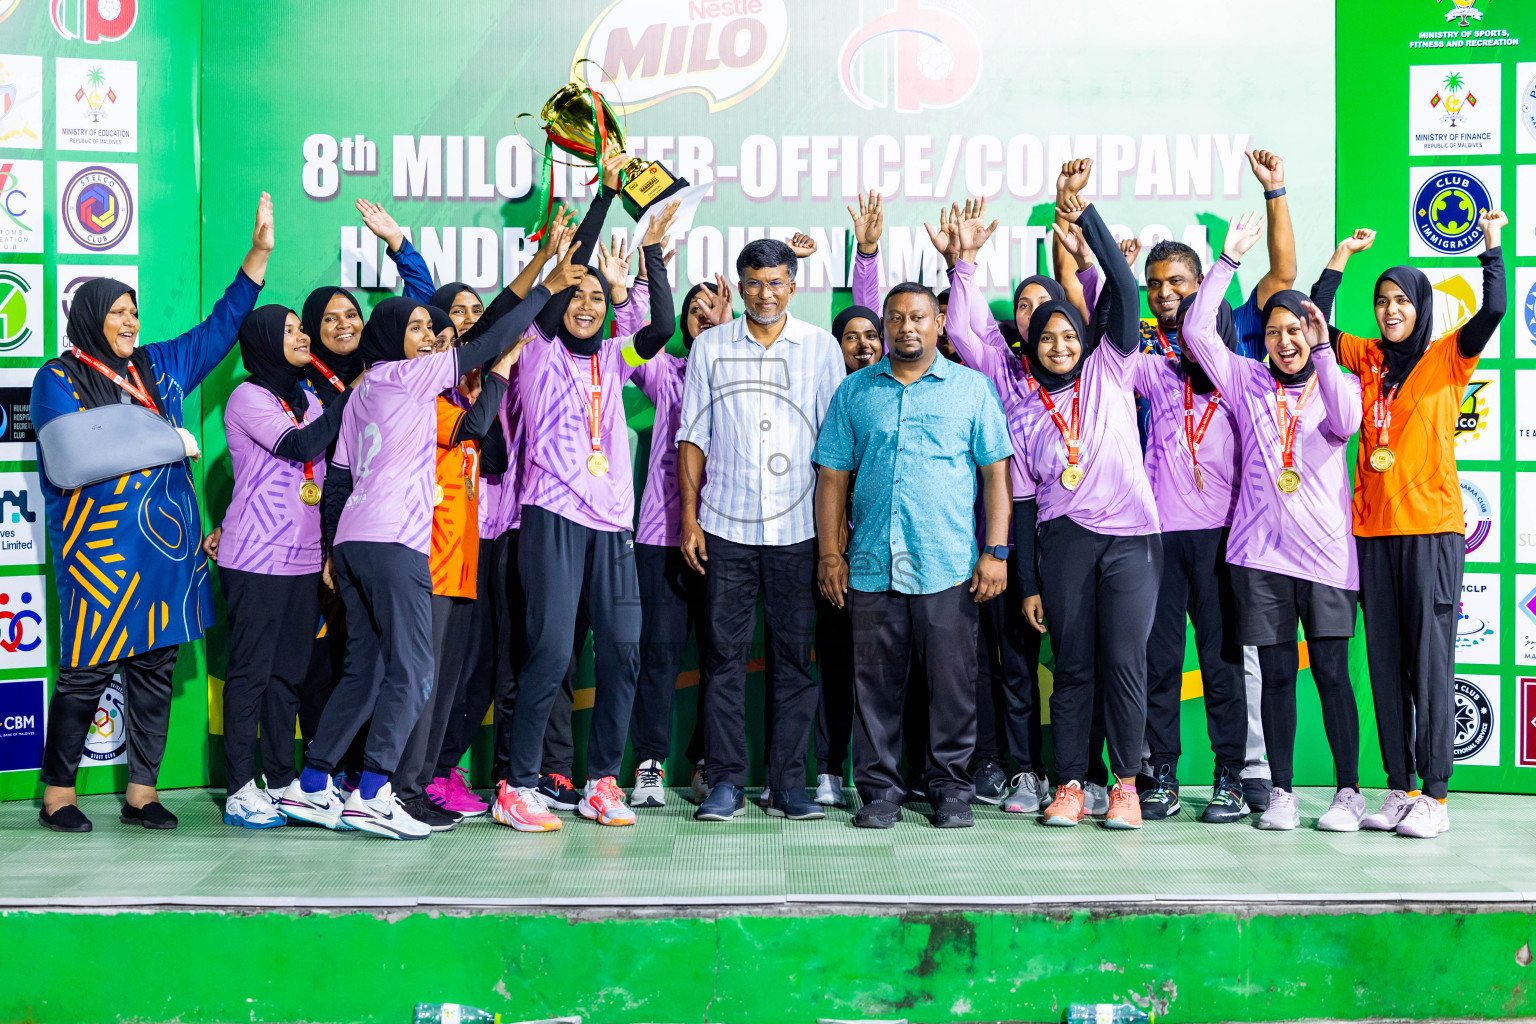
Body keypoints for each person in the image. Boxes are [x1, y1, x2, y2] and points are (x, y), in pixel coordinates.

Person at [280, 251, 570, 838]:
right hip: (394, 542)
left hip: (359, 541)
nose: (432, 338)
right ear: (391, 337)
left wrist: (335, 552)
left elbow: (339, 476)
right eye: (417, 328)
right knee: (414, 671)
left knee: (368, 670)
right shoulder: (407, 376)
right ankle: (373, 792)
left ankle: (310, 784)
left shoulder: (360, 393)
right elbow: (488, 343)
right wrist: (547, 289)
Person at [34, 193, 272, 833]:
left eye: (133, 311)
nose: (128, 321)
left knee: (155, 673)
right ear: (89, 318)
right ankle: (58, 796)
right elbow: (71, 452)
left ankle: (142, 793)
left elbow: (219, 329)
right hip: (99, 559)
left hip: (166, 558)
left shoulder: (158, 365)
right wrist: (170, 442)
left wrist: (257, 257)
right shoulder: (58, 377)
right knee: (84, 677)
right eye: (115, 312)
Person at [492, 176, 679, 833]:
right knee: (548, 650)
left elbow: (661, 324)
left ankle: (601, 781)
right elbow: (570, 272)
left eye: (598, 297)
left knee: (624, 651)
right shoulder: (538, 352)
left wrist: (652, 255)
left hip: (613, 527)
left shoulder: (616, 356)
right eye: (577, 294)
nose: (588, 303)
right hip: (552, 515)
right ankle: (516, 786)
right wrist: (604, 197)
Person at [1181, 213, 1366, 833]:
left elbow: (1346, 422)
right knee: (1279, 676)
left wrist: (1323, 350)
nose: (1284, 341)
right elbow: (1197, 331)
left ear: (1312, 334)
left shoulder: (1338, 381)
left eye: (1297, 330)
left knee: (1335, 677)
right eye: (1277, 332)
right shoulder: (1245, 380)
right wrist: (1226, 263)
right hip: (1260, 558)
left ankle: (1347, 793)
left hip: (1327, 559)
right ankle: (1282, 791)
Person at [813, 282, 1014, 829]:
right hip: (874, 563)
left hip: (947, 561)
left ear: (938, 324)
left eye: (919, 317)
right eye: (896, 318)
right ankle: (879, 791)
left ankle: (950, 787)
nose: (907, 327)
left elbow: (996, 475)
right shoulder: (855, 392)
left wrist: (995, 551)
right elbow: (832, 477)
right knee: (874, 686)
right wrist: (831, 554)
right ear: (884, 327)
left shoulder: (970, 390)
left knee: (952, 687)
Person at [1335, 210, 1507, 839]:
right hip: (1374, 533)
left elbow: (1492, 311)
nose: (1389, 311)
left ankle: (1435, 794)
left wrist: (1491, 243)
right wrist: (1340, 257)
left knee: (1429, 662)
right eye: (1381, 302)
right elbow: (1318, 326)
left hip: (1432, 530)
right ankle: (1400, 788)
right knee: (1384, 663)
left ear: (1421, 305)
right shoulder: (1367, 358)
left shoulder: (1447, 356)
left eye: (1401, 300)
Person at [679, 237, 846, 823]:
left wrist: (833, 537)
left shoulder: (821, 349)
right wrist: (689, 520)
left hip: (799, 530)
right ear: (740, 284)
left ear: (792, 285)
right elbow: (693, 437)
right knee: (723, 659)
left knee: (794, 661)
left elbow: (834, 447)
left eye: (776, 283)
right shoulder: (710, 349)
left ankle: (787, 785)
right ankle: (725, 782)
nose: (765, 294)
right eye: (754, 283)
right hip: (724, 526)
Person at [1014, 187, 1161, 831]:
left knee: (1124, 666)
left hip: (1133, 539)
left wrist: (1085, 217)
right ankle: (1070, 783)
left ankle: (1124, 785)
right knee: (1071, 667)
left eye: (1067, 333)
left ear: (1084, 337)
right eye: (1046, 337)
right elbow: (1020, 505)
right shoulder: (1021, 409)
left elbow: (1126, 290)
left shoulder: (1112, 366)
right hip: (1065, 540)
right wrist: (1027, 584)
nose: (1058, 345)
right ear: (1034, 345)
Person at [932, 198, 1058, 816]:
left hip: (1053, 526)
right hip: (991, 521)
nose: (1033, 314)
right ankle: (1003, 767)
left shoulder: (1081, 369)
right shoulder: (1001, 369)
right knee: (988, 655)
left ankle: (1056, 772)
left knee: (1041, 658)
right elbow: (961, 329)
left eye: (1044, 305)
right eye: (1025, 306)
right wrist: (966, 264)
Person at [216, 303, 351, 828]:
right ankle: (238, 789)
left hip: (301, 560)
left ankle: (277, 781)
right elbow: (296, 444)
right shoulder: (249, 397)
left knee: (287, 679)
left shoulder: (312, 399)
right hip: (254, 557)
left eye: (300, 329)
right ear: (267, 341)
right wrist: (352, 396)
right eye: (290, 330)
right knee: (250, 676)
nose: (300, 336)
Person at [387, 305, 514, 830]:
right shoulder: (424, 402)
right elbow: (477, 425)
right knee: (422, 683)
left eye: (448, 341)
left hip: (462, 562)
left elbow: (495, 452)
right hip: (430, 561)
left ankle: (420, 784)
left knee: (445, 687)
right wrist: (500, 373)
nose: (444, 348)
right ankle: (397, 788)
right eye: (434, 339)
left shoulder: (456, 397)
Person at [627, 263, 734, 808]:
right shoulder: (663, 371)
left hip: (726, 538)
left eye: (715, 310)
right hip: (660, 538)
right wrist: (642, 282)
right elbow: (630, 337)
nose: (705, 317)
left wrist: (728, 330)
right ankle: (649, 766)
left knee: (722, 658)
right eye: (696, 311)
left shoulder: (739, 369)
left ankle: (707, 763)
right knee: (660, 656)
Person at [808, 300, 885, 808]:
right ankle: (829, 770)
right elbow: (827, 483)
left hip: (887, 561)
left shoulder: (888, 394)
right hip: (839, 556)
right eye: (851, 337)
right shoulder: (833, 398)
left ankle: (896, 775)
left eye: (871, 335)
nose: (864, 345)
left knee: (886, 673)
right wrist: (832, 553)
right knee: (835, 668)